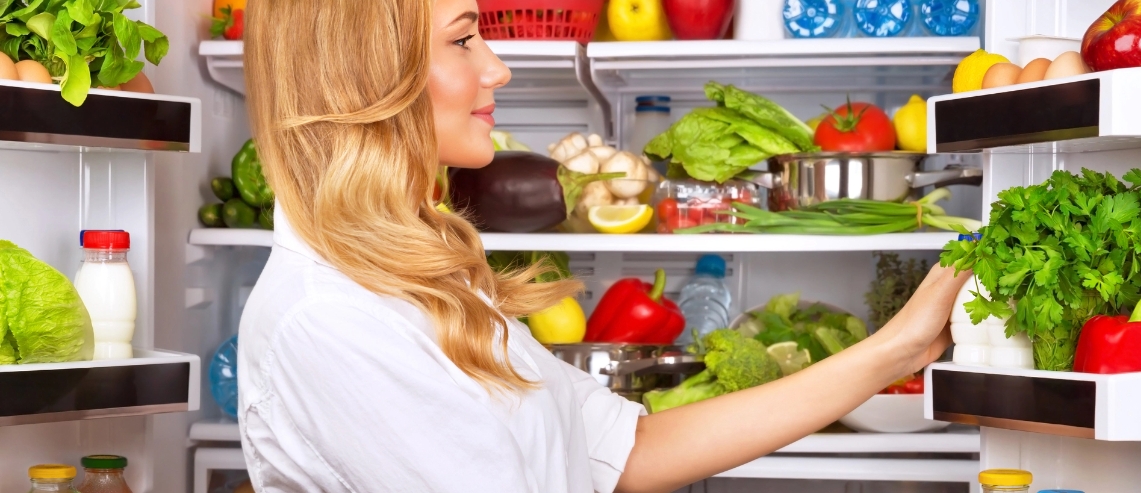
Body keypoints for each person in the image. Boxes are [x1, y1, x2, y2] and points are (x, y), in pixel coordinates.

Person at [236, 0, 973, 492]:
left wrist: (896, 349)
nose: (497, 67)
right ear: (368, 74)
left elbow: (626, 450)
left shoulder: (420, 277)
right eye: (463, 40)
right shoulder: (331, 318)